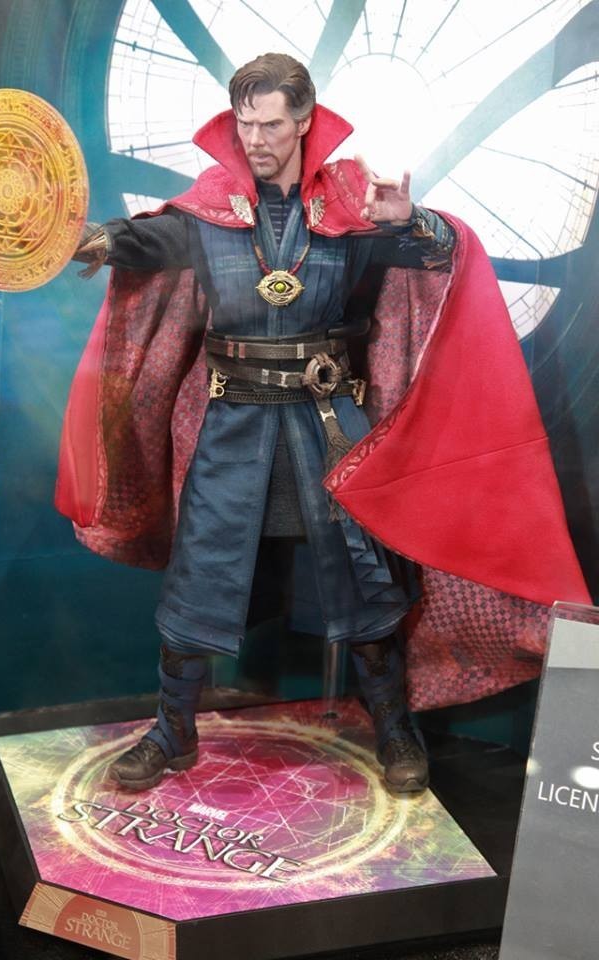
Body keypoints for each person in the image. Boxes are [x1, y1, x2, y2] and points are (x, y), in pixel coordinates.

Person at [58, 53, 588, 796]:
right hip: (232, 426)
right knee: (195, 586)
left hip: (328, 424)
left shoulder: (349, 206)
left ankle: (394, 726)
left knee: (366, 585)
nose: (256, 139)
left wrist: (416, 221)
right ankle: (172, 730)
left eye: (272, 124)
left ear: (305, 120)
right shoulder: (210, 209)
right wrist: (95, 239)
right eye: (245, 124)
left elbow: (439, 252)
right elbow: (148, 241)